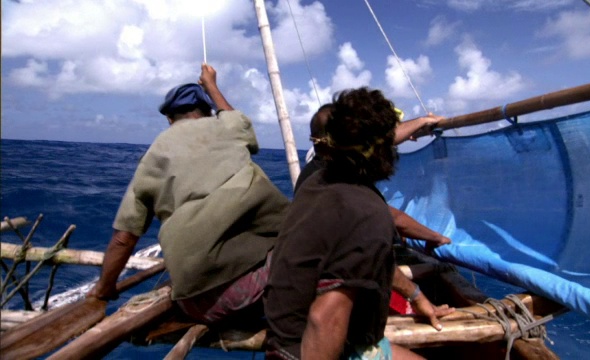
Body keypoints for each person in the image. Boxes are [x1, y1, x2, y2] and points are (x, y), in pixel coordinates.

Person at [88, 64, 290, 326]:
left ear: (170, 119)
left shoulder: (153, 155)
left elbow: (124, 238)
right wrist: (212, 86)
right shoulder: (227, 128)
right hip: (252, 290)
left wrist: (104, 288)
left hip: (197, 304)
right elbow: (235, 119)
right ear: (208, 113)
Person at [264, 88, 454, 360]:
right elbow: (323, 320)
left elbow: (375, 264)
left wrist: (418, 297)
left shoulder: (318, 181)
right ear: (385, 150)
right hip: (306, 348)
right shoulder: (368, 214)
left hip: (284, 331)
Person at [296, 104, 451, 249]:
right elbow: (393, 218)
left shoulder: (319, 167)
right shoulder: (337, 178)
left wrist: (420, 122)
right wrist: (435, 237)